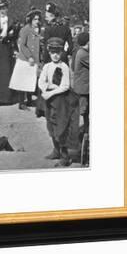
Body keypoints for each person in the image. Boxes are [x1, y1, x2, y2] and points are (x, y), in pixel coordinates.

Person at [38, 37, 80, 167]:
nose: (55, 55)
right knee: (51, 124)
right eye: (52, 52)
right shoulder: (47, 66)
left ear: (62, 52)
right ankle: (56, 150)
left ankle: (65, 155)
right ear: (49, 52)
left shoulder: (64, 67)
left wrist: (51, 91)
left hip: (62, 100)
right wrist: (45, 89)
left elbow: (65, 86)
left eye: (58, 52)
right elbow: (41, 81)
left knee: (61, 127)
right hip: (49, 100)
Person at [10, 8, 42, 110]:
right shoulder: (25, 29)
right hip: (25, 60)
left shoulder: (38, 29)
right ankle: (21, 103)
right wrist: (30, 57)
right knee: (22, 81)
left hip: (34, 60)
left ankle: (29, 100)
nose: (37, 21)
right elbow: (22, 45)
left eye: (38, 19)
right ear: (30, 20)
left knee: (30, 80)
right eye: (35, 19)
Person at [72, 32, 89, 164]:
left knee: (85, 113)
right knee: (83, 112)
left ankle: (85, 134)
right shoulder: (83, 54)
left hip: (83, 88)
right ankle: (83, 140)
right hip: (83, 89)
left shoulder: (79, 51)